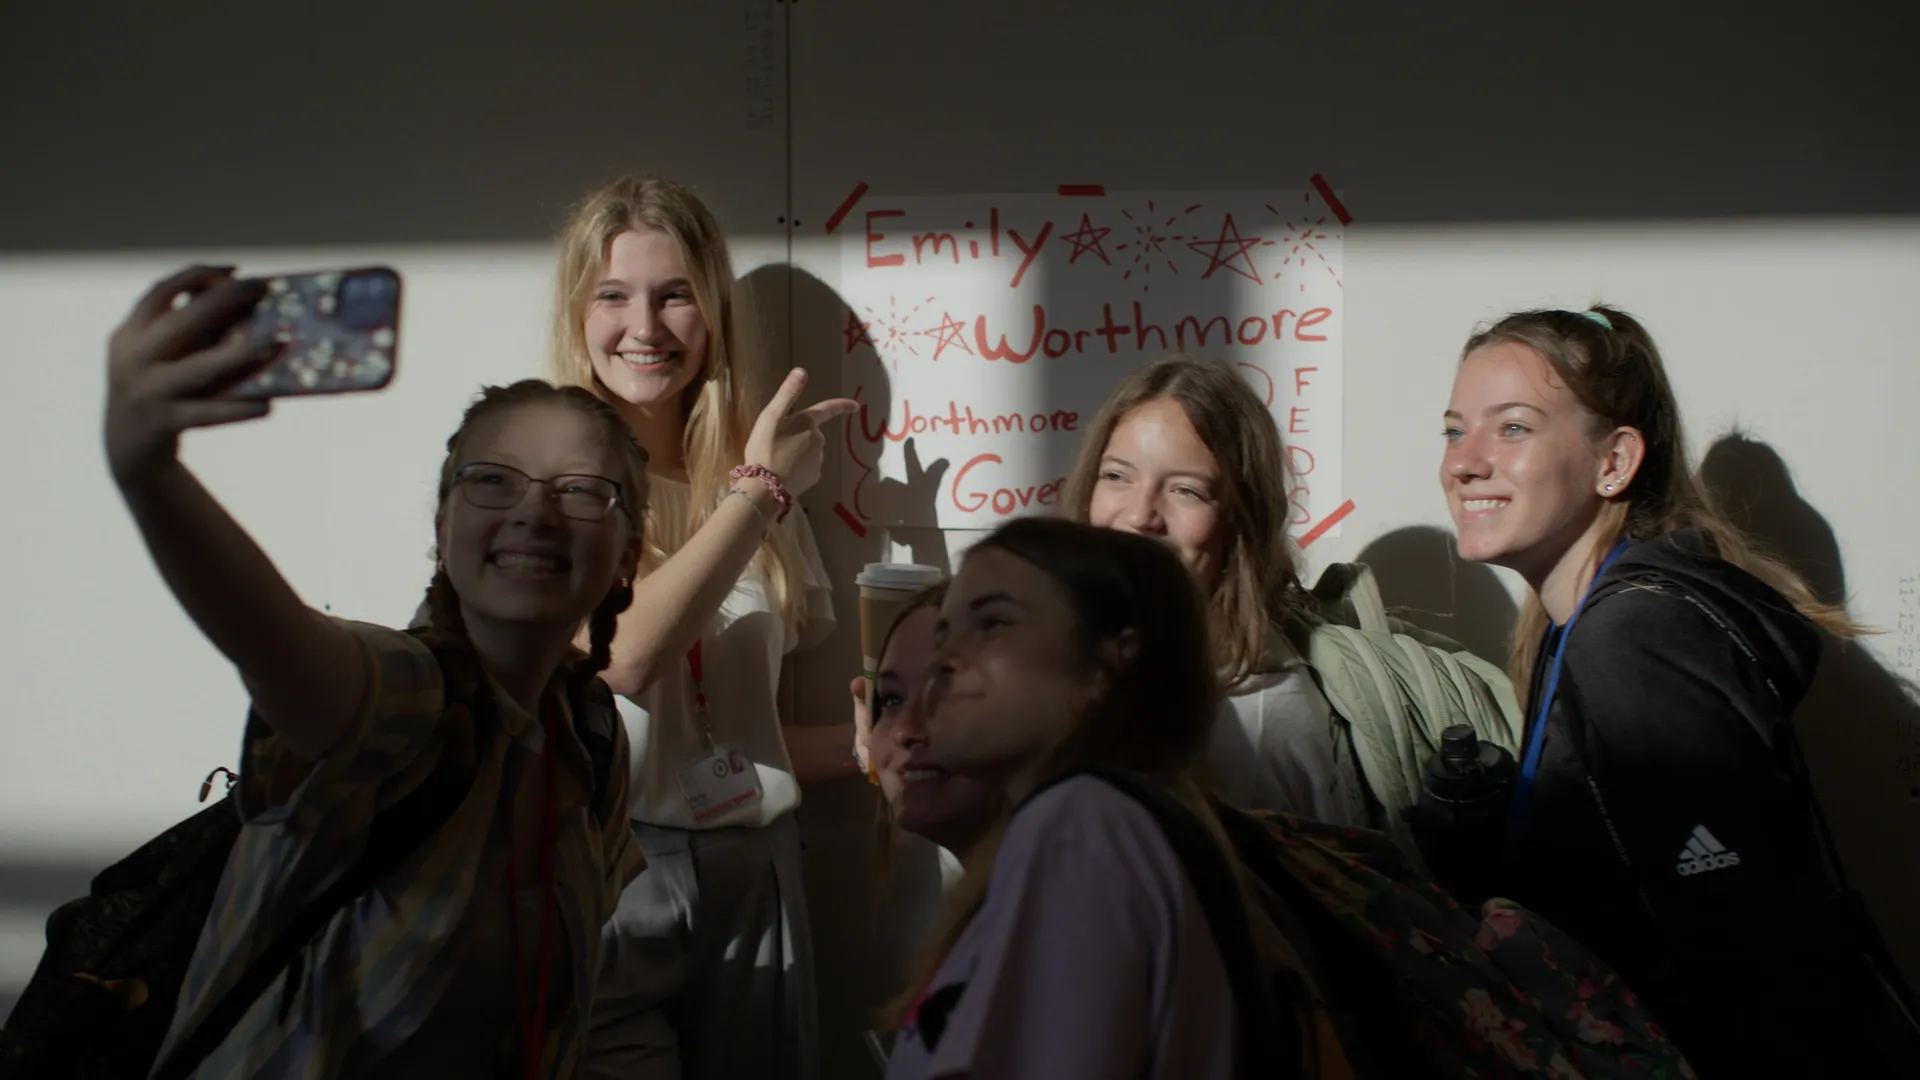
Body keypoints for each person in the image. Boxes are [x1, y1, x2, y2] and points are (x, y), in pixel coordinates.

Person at [104, 267, 647, 1077]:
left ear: (628, 552)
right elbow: (271, 639)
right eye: (492, 481)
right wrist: (148, 473)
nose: (532, 512)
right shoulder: (405, 694)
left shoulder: (591, 734)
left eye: (578, 489)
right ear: (444, 525)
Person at [1437, 304, 1918, 1076]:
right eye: (1455, 430)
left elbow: (1747, 949)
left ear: (1615, 461)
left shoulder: (1633, 635)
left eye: (1513, 427)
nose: (1464, 462)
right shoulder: (1579, 628)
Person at [549, 173, 857, 1080]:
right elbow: (623, 659)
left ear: (714, 314)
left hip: (756, 866)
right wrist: (760, 496)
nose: (644, 326)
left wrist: (876, 743)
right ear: (578, 315)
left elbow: (743, 741)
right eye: (613, 295)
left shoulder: (756, 486)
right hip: (611, 873)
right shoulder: (547, 483)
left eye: (675, 294)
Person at [882, 517, 1352, 1080]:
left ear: (1108, 662)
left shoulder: (1081, 825)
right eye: (945, 632)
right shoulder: (1109, 820)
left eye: (993, 623)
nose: (943, 660)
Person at [1067, 357, 1369, 826]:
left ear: (1240, 523)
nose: (1140, 515)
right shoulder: (1070, 665)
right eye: (1117, 476)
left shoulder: (1262, 721)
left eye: (1186, 490)